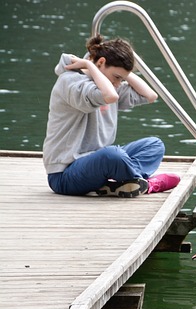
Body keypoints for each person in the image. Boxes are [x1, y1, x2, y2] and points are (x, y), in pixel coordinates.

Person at [43, 34, 180, 197]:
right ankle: (145, 183)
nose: (118, 83)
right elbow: (111, 97)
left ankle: (122, 183)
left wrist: (122, 72)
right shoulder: (72, 82)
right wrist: (90, 65)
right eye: (117, 77)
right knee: (113, 155)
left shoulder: (110, 84)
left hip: (97, 163)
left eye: (121, 79)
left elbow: (150, 95)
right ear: (101, 62)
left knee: (154, 145)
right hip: (64, 175)